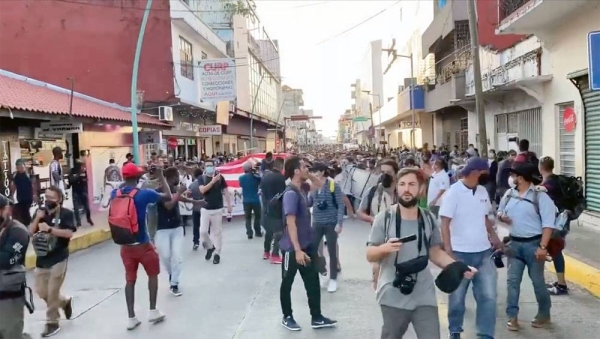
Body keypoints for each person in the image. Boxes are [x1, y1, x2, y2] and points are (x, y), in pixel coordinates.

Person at [367, 167, 476, 339]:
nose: (406, 189)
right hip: (393, 292)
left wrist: (458, 267)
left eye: (411, 184)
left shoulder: (428, 218)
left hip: (424, 293)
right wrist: (383, 249)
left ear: (421, 188)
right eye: (402, 184)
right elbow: (370, 254)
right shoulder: (384, 218)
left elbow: (434, 251)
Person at [439, 157, 500, 339]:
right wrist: (448, 251)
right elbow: (444, 222)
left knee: (488, 297)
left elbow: (484, 218)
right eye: (484, 172)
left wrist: (494, 237)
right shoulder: (453, 193)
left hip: (484, 253)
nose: (487, 176)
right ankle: (455, 331)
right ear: (474, 172)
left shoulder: (482, 191)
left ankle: (485, 334)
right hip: (459, 254)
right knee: (457, 298)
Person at [110, 163, 172, 330]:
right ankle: (153, 311)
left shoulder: (114, 193)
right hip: (143, 244)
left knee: (130, 280)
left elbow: (125, 186)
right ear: (138, 177)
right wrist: (160, 175)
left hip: (125, 246)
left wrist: (135, 176)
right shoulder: (144, 194)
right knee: (153, 275)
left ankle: (131, 317)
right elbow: (167, 195)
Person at [280, 157, 337, 331]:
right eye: (304, 167)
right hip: (292, 248)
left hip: (306, 245)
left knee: (312, 282)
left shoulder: (302, 189)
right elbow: (291, 223)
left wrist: (309, 174)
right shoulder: (290, 194)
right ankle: (287, 316)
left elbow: (320, 184)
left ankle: (317, 317)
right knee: (287, 282)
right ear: (296, 171)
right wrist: (297, 250)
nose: (308, 169)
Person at [497, 162, 556, 331]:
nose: (511, 178)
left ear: (521, 178)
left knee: (537, 282)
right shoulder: (509, 194)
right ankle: (512, 316)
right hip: (514, 245)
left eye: (514, 175)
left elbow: (548, 225)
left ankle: (544, 314)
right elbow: (500, 211)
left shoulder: (540, 197)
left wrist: (543, 247)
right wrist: (502, 217)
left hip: (533, 245)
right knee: (512, 281)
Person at [29, 186, 76, 337]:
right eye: (46, 196)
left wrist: (50, 229)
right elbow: (30, 231)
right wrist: (37, 218)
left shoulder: (66, 214)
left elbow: (69, 233)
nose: (48, 200)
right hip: (42, 259)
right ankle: (64, 303)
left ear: (60, 199)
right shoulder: (40, 213)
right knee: (42, 292)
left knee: (52, 291)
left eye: (52, 197)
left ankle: (52, 323)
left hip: (59, 257)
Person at [357, 159, 399, 290]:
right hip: (379, 237)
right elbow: (360, 212)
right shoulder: (372, 191)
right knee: (377, 267)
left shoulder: (403, 191)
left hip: (399, 236)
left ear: (396, 173)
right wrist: (373, 219)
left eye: (389, 172)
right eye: (383, 172)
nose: (385, 175)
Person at [0, 194, 33, 339]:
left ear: (5, 210)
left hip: (8, 296)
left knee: (10, 333)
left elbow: (7, 260)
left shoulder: (18, 231)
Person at [309, 162, 344, 293]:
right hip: (317, 222)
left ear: (322, 172)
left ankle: (333, 279)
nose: (313, 174)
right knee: (312, 250)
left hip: (331, 222)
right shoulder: (313, 186)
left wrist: (339, 223)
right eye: (312, 172)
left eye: (315, 171)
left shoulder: (333, 185)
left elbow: (340, 205)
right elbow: (309, 202)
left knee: (332, 252)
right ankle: (320, 270)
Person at [538, 157, 568, 295]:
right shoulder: (555, 180)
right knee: (555, 250)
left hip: (555, 223)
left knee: (555, 251)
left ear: (541, 167)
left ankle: (562, 285)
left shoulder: (548, 185)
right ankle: (560, 282)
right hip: (560, 221)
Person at [198, 160, 232, 265]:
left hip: (217, 209)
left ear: (214, 167)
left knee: (217, 233)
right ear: (204, 167)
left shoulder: (220, 178)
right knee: (203, 231)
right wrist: (212, 182)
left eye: (211, 166)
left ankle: (217, 254)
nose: (209, 167)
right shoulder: (202, 178)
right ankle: (210, 247)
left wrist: (229, 204)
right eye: (207, 166)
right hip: (205, 208)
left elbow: (226, 190)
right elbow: (202, 190)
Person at [260, 158, 286, 264]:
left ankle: (266, 252)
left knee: (269, 232)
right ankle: (275, 254)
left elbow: (262, 191)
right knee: (279, 232)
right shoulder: (281, 178)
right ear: (281, 166)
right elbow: (282, 194)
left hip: (266, 207)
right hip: (277, 208)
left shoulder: (265, 177)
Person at [10, 159, 37, 226]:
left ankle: (28, 223)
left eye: (21, 166)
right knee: (22, 211)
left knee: (25, 210)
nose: (20, 168)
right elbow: (13, 186)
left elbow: (33, 184)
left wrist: (34, 194)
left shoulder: (29, 173)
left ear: (24, 166)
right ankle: (27, 223)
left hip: (28, 196)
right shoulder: (15, 175)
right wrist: (12, 195)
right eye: (18, 167)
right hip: (20, 196)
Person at [239, 161, 262, 239]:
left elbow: (241, 185)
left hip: (246, 200)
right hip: (255, 200)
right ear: (250, 168)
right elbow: (261, 181)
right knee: (258, 216)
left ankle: (249, 232)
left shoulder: (241, 178)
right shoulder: (255, 177)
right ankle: (257, 231)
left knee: (247, 218)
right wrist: (255, 172)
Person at [68, 162, 94, 227]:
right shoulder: (72, 171)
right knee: (76, 208)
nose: (82, 167)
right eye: (80, 166)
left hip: (83, 191)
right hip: (75, 192)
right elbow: (71, 180)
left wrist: (79, 178)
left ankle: (88, 218)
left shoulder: (83, 171)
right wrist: (78, 177)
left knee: (87, 207)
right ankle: (78, 222)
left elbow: (85, 180)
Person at [189, 168, 204, 250]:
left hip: (195, 208)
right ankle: (206, 241)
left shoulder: (192, 185)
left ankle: (196, 242)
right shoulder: (205, 184)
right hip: (205, 207)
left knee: (196, 226)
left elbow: (189, 195)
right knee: (206, 226)